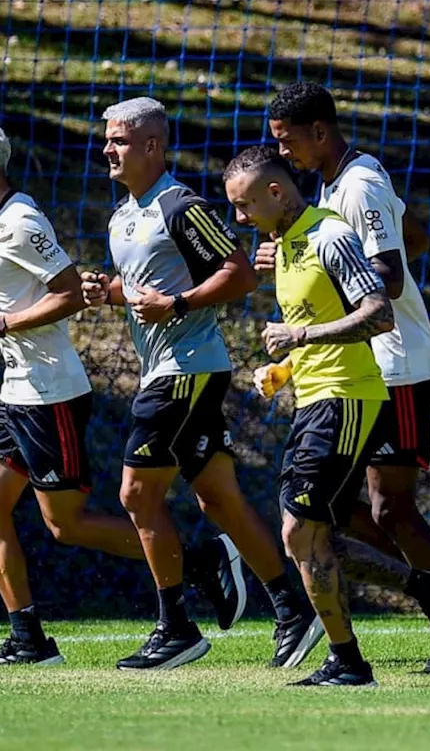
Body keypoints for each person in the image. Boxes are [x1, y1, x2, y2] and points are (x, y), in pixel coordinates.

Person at [0, 116, 235, 666]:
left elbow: (69, 294)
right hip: (15, 393)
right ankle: (29, 639)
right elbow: (14, 300)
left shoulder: (22, 220)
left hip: (51, 395)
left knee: (65, 524)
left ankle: (195, 565)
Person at [225, 145, 430, 684]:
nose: (240, 217)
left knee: (306, 530)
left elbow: (377, 311)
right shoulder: (286, 246)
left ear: (275, 193)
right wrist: (282, 370)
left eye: (244, 205)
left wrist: (298, 336)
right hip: (316, 399)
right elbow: (315, 322)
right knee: (313, 532)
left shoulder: (329, 234)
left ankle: (354, 655)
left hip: (349, 399)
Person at [79, 98, 323, 671]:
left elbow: (237, 273)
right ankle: (293, 609)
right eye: (106, 139)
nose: (107, 149)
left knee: (136, 495)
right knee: (218, 497)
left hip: (186, 371)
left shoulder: (180, 207)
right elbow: (149, 287)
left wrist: (178, 303)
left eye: (118, 140)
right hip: (172, 371)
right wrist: (110, 291)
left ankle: (177, 628)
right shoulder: (124, 216)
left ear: (151, 146)